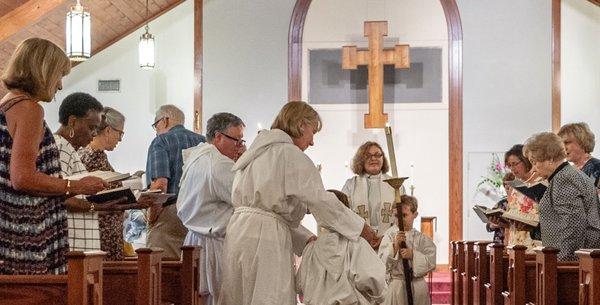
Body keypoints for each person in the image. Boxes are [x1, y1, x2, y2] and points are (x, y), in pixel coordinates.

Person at [217, 101, 378, 305]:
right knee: (269, 297)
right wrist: (361, 228)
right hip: (266, 240)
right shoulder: (290, 154)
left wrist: (305, 238)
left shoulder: (252, 156)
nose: (312, 142)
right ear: (301, 125)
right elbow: (322, 202)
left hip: (238, 234)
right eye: (313, 132)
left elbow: (269, 212)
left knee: (238, 297)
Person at [0, 38, 105, 274]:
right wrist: (75, 186)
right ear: (42, 71)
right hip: (24, 233)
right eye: (58, 75)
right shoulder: (29, 109)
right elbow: (22, 177)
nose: (58, 86)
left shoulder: (7, 104)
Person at [176, 112, 246, 305]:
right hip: (214, 242)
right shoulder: (219, 163)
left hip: (195, 239)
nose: (240, 146)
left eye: (241, 141)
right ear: (218, 136)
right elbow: (246, 197)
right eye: (237, 140)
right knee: (219, 298)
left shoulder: (198, 156)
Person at [55, 93, 133, 252]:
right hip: (74, 246)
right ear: (72, 122)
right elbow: (56, 197)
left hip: (81, 243)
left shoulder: (69, 149)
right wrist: (94, 206)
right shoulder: (61, 148)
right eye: (92, 128)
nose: (94, 134)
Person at [296, 190, 387, 305]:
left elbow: (299, 285)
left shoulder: (310, 249)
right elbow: (373, 279)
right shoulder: (355, 244)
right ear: (347, 212)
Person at [523, 132, 600, 261]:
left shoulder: (564, 179)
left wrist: (563, 262)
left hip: (573, 261)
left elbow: (573, 225)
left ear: (551, 159)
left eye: (534, 162)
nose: (533, 169)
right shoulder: (564, 176)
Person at [146, 104, 206, 259]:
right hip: (200, 213)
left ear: (165, 121)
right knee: (194, 269)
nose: (156, 129)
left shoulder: (161, 141)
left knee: (163, 271)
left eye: (156, 124)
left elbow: (160, 185)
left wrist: (152, 217)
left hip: (172, 213)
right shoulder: (204, 143)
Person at [79, 107, 128, 260]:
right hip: (100, 231)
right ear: (108, 130)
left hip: (104, 229)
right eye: (120, 133)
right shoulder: (93, 156)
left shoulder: (96, 155)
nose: (120, 139)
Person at [378, 195, 436, 305]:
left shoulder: (422, 239)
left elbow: (431, 262)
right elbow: (381, 262)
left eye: (404, 215)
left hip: (417, 286)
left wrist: (413, 255)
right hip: (397, 287)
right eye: (396, 215)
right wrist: (394, 247)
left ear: (415, 215)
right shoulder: (389, 236)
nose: (400, 219)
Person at [342, 141, 403, 243]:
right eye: (368, 155)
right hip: (359, 240)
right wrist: (362, 232)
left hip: (389, 241)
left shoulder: (395, 185)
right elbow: (344, 214)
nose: (373, 158)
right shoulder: (351, 185)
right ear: (361, 160)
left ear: (383, 158)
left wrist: (385, 237)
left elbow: (402, 217)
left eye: (377, 155)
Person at [503, 144, 543, 248]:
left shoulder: (540, 181)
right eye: (509, 165)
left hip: (534, 239)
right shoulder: (513, 186)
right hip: (515, 240)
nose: (512, 168)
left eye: (515, 164)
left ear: (525, 161)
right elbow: (509, 213)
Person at [486, 172, 515, 244]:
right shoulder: (501, 204)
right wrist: (493, 225)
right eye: (507, 188)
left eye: (512, 188)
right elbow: (488, 228)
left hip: (514, 241)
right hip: (499, 243)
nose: (510, 191)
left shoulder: (521, 203)